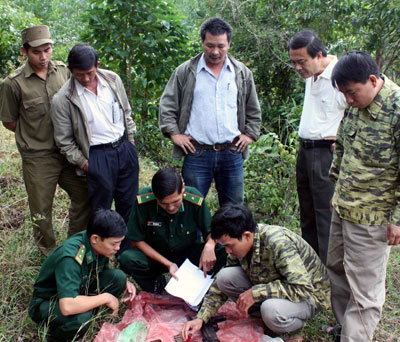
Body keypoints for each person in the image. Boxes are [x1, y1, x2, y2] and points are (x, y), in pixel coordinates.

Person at [324, 51, 400, 342]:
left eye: (352, 93)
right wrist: (335, 187)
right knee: (336, 268)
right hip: (344, 206)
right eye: (344, 95)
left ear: (373, 80)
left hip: (374, 215)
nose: (349, 100)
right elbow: (342, 147)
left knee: (366, 289)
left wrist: (397, 220)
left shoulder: (397, 109)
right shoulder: (355, 105)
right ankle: (345, 328)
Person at [0, 26, 90, 256]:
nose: (43, 57)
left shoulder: (62, 72)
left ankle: (74, 247)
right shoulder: (13, 84)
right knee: (41, 212)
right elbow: (10, 122)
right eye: (36, 52)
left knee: (84, 196)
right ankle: (49, 255)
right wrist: (34, 135)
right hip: (38, 157)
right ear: (24, 51)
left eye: (47, 50)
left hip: (68, 151)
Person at [182, 205, 330, 342]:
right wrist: (201, 318)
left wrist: (256, 293)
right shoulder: (240, 245)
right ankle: (263, 316)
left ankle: (296, 326)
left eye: (229, 246)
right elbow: (219, 287)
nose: (227, 251)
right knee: (224, 277)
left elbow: (303, 288)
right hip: (278, 290)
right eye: (224, 246)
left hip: (310, 297)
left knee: (271, 311)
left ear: (247, 235)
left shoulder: (278, 243)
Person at [159, 18, 261, 206]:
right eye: (210, 45)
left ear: (229, 44)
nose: (215, 51)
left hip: (232, 152)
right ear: (202, 43)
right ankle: (197, 237)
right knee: (192, 208)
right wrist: (174, 134)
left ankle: (228, 237)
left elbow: (253, 109)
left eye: (221, 46)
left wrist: (250, 134)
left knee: (233, 210)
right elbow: (167, 105)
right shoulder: (186, 71)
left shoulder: (241, 73)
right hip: (197, 152)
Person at [51, 43, 139, 225]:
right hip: (97, 155)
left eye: (89, 73)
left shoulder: (113, 80)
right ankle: (102, 252)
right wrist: (86, 165)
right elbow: (64, 141)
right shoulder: (63, 99)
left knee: (129, 203)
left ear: (97, 65)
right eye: (79, 74)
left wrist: (131, 144)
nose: (85, 78)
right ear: (70, 70)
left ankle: (126, 250)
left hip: (123, 147)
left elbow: (126, 112)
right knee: (101, 210)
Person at [28, 209, 136, 342]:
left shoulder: (98, 247)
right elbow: (67, 306)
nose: (117, 248)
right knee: (81, 318)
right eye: (114, 244)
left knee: (118, 278)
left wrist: (124, 284)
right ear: (95, 239)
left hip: (77, 289)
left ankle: (93, 314)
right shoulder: (71, 257)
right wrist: (105, 298)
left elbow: (100, 272)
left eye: (120, 243)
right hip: (48, 302)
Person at [288, 30, 346, 264]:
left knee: (325, 217)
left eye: (301, 61)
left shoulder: (339, 76)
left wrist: (342, 140)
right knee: (308, 215)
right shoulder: (311, 75)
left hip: (326, 154)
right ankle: (310, 269)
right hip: (305, 151)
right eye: (293, 62)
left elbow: (358, 107)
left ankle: (328, 275)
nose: (297, 67)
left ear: (319, 55)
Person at [118, 168, 227, 293]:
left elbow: (211, 231)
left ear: (183, 189)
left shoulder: (194, 199)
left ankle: (201, 286)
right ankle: (155, 287)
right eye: (163, 203)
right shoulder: (143, 201)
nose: (170, 207)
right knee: (127, 258)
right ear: (154, 195)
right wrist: (168, 263)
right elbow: (136, 240)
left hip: (188, 256)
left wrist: (210, 244)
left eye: (176, 201)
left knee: (221, 250)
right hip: (156, 256)